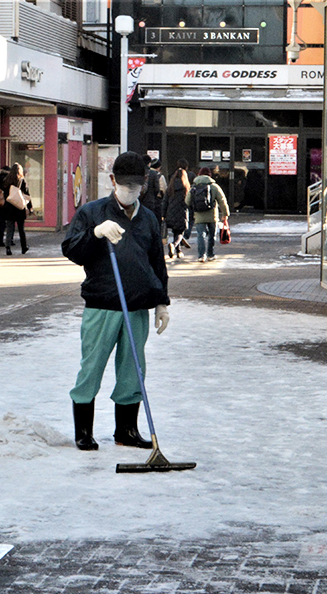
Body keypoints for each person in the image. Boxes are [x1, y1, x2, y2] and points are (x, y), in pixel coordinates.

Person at [62, 151, 170, 451]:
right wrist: (95, 234)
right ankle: (83, 431)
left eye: (136, 186)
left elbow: (156, 264)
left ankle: (126, 430)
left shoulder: (148, 218)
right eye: (125, 185)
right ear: (113, 181)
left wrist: (161, 302)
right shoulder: (92, 212)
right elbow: (71, 249)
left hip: (137, 308)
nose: (130, 191)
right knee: (92, 368)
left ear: (144, 184)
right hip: (102, 305)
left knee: (132, 372)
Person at [185, 167, 229, 262]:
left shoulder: (194, 187)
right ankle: (210, 254)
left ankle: (201, 256)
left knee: (201, 235)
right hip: (212, 215)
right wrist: (225, 214)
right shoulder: (214, 186)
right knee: (212, 235)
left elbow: (187, 201)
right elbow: (222, 200)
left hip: (199, 215)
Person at [161, 159, 195, 260]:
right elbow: (190, 202)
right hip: (182, 213)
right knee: (180, 232)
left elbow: (165, 201)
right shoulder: (186, 188)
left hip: (170, 212)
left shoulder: (170, 187)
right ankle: (174, 245)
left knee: (176, 231)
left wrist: (163, 214)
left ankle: (179, 251)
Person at [0, 163, 31, 255]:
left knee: (10, 228)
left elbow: (1, 190)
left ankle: (8, 247)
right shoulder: (22, 181)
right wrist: (30, 207)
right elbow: (27, 194)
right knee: (21, 229)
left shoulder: (6, 180)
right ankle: (24, 247)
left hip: (9, 207)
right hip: (19, 207)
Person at [139, 154, 163, 225]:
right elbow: (157, 188)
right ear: (149, 163)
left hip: (139, 201)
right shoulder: (153, 173)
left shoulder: (139, 173)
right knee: (149, 221)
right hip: (150, 201)